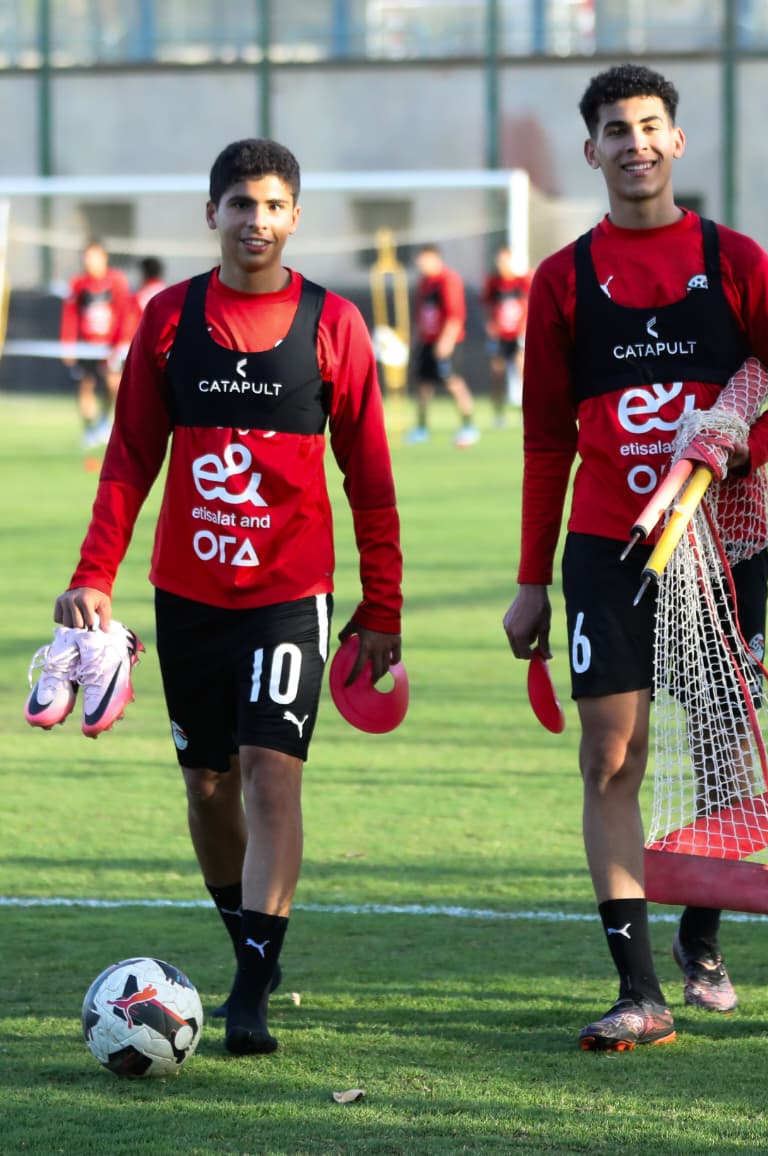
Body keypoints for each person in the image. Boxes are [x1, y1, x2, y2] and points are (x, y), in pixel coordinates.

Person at [49, 138, 403, 1056]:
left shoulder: (334, 326)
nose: (257, 221)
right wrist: (94, 573)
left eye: (274, 205)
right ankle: (245, 936)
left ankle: (251, 982)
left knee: (269, 774)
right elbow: (130, 459)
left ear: (295, 217)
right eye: (241, 204)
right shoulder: (168, 320)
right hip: (188, 596)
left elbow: (368, 475)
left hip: (291, 596)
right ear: (213, 214)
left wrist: (385, 603)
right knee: (207, 787)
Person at [502, 63, 768, 1051]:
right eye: (613, 129)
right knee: (609, 755)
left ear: (674, 142)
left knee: (724, 745)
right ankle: (635, 986)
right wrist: (528, 580)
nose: (633, 142)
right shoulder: (560, 281)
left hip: (721, 546)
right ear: (592, 151)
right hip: (607, 546)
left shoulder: (732, 258)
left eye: (649, 126)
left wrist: (735, 458)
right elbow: (547, 441)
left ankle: (702, 929)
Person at [60, 238, 132, 448]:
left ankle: (104, 421)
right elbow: (70, 314)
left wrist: (119, 343)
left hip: (110, 347)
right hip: (86, 347)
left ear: (104, 257)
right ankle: (90, 430)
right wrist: (68, 344)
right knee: (85, 387)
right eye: (87, 256)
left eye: (94, 256)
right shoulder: (78, 284)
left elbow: (124, 313)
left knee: (114, 384)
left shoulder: (116, 281)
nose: (89, 261)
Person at [405, 243, 479, 447]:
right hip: (427, 342)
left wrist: (446, 342)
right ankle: (421, 428)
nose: (420, 263)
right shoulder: (424, 283)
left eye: (424, 259)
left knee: (453, 382)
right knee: (422, 385)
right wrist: (415, 341)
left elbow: (455, 316)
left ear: (435, 258)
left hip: (447, 342)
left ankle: (468, 427)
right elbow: (421, 315)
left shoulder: (448, 280)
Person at [480, 244, 532, 428]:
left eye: (506, 260)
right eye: (500, 260)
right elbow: (487, 307)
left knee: (523, 374)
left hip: (518, 335)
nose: (503, 264)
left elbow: (530, 304)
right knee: (497, 374)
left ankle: (525, 414)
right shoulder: (493, 283)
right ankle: (498, 414)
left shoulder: (522, 281)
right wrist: (490, 326)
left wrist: (524, 328)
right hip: (499, 336)